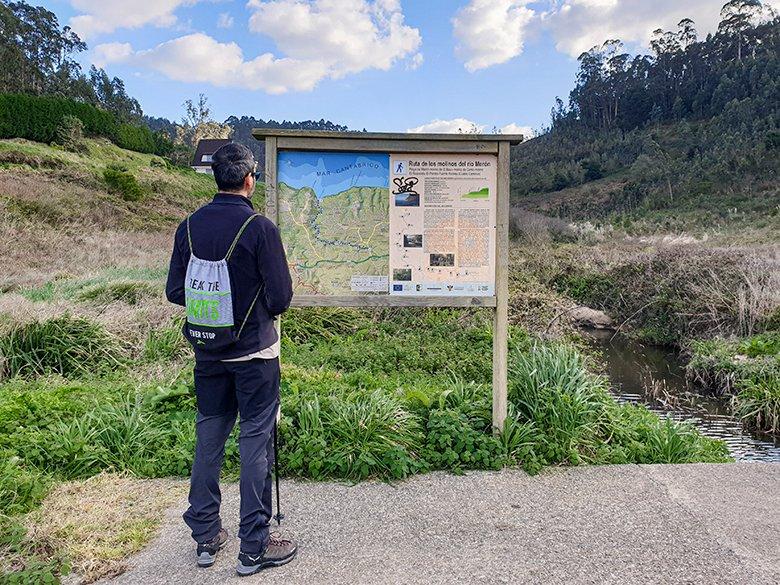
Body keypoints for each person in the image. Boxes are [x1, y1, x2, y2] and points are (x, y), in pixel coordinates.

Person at [165, 142, 296, 577]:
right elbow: (280, 298)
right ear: (248, 179)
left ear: (215, 178)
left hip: (207, 353)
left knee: (209, 437)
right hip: (255, 355)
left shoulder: (187, 227)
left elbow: (175, 292)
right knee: (254, 442)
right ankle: (254, 547)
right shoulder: (260, 228)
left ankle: (205, 536)